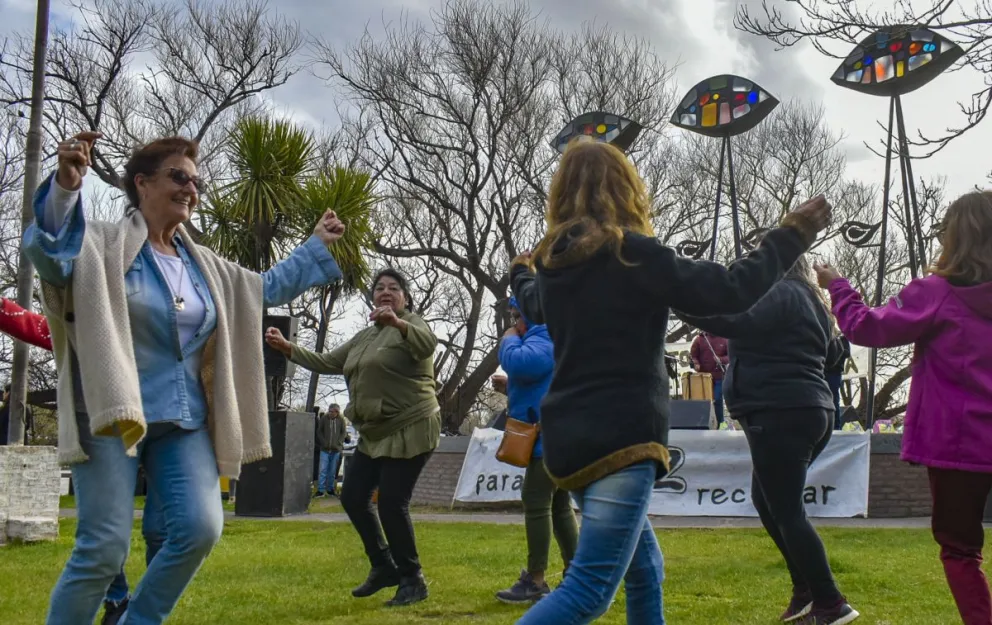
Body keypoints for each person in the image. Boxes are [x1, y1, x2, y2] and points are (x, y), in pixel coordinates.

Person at [25, 131, 346, 625]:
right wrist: (67, 189)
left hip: (185, 417)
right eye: (178, 176)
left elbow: (262, 289)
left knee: (199, 528)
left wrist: (314, 246)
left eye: (196, 181)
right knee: (103, 551)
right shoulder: (101, 244)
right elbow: (50, 253)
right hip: (112, 413)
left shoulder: (204, 265)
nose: (190, 189)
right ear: (142, 183)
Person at [508, 138, 832, 624]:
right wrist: (791, 234)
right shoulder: (634, 253)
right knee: (588, 592)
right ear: (626, 189)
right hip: (622, 438)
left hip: (568, 440)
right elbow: (731, 289)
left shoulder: (552, 268)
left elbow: (531, 302)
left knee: (646, 569)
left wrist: (518, 269)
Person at [815, 190, 992, 625]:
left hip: (959, 444)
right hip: (962, 446)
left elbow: (865, 327)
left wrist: (838, 285)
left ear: (953, 237)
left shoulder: (935, 293)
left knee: (959, 550)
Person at [679, 253, 859, 625]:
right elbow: (833, 356)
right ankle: (806, 590)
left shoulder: (778, 295)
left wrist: (676, 297)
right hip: (809, 409)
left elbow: (730, 320)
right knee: (768, 501)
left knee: (788, 511)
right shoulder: (809, 301)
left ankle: (829, 600)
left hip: (779, 412)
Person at [265, 268, 439, 607]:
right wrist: (288, 348)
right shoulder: (364, 337)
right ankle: (383, 566)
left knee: (391, 503)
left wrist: (399, 324)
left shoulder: (414, 324)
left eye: (393, 288)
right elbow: (328, 361)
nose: (385, 292)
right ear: (372, 298)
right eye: (379, 288)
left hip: (411, 426)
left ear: (405, 298)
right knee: (354, 497)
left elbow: (427, 345)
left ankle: (413, 578)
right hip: (374, 433)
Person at [0, 297, 152, 625]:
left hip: (154, 421)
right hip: (99, 427)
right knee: (104, 531)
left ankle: (129, 601)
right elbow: (32, 325)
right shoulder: (83, 328)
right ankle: (118, 598)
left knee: (168, 527)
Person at [494, 297, 578, 604]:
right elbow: (540, 378)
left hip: (549, 438)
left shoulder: (543, 332)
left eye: (516, 316)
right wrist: (511, 387)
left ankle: (536, 580)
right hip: (559, 434)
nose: (514, 323)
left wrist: (508, 339)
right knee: (559, 505)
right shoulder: (553, 332)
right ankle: (576, 574)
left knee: (536, 499)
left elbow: (521, 363)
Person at [689, 331, 729, 425]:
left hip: (719, 376)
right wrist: (696, 363)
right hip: (703, 377)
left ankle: (721, 423)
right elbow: (693, 355)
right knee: (703, 400)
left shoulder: (724, 339)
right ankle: (702, 423)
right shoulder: (699, 339)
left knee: (717, 399)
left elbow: (730, 356)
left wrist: (721, 360)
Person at [316, 403, 348, 497]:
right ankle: (320, 490)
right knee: (322, 470)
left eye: (332, 412)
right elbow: (319, 431)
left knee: (332, 471)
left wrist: (339, 442)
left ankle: (330, 490)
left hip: (336, 450)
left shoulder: (341, 420)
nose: (330, 413)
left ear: (336, 412)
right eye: (329, 411)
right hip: (325, 449)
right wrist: (323, 442)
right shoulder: (324, 418)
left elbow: (343, 432)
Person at [825, 334, 851, 430]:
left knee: (833, 400)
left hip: (834, 373)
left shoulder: (841, 337)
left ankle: (835, 427)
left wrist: (836, 350)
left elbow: (847, 353)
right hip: (822, 371)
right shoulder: (823, 332)